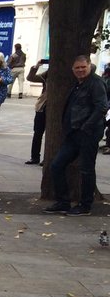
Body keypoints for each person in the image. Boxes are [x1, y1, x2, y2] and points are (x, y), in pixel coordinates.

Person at [45, 54, 108, 216]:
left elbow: (101, 107)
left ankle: (85, 205)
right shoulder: (78, 85)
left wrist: (87, 126)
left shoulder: (95, 83)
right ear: (73, 69)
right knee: (57, 165)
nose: (80, 70)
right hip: (73, 134)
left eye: (83, 67)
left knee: (86, 169)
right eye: (77, 68)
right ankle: (63, 202)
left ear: (89, 66)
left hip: (88, 133)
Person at [25, 59, 49, 165]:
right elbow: (31, 78)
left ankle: (47, 158)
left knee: (51, 134)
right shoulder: (48, 73)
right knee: (37, 133)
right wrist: (36, 66)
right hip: (43, 106)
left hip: (56, 108)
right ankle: (35, 157)